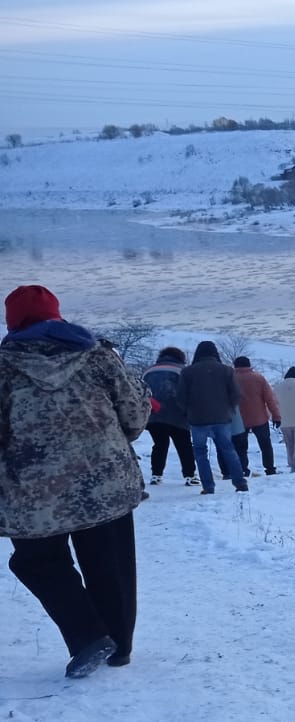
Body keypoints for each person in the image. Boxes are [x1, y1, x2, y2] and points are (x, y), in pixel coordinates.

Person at [0, 285, 149, 677]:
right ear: (57, 315)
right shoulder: (99, 356)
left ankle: (88, 637)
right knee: (111, 564)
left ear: (12, 322)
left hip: (31, 494)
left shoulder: (1, 367)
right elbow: (134, 415)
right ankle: (119, 646)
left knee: (37, 562)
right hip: (106, 484)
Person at [178, 341, 248, 494]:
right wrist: (229, 409)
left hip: (197, 419)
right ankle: (240, 482)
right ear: (215, 353)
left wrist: (187, 412)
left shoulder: (188, 372)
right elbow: (236, 395)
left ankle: (208, 486)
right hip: (222, 417)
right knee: (228, 450)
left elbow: (181, 397)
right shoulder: (227, 371)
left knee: (201, 453)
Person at [142, 346, 195, 486]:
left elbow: (141, 392)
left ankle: (156, 475)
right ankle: (190, 475)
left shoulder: (149, 371)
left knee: (159, 444)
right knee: (184, 445)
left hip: (154, 415)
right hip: (178, 415)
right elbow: (188, 393)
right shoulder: (182, 371)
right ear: (180, 357)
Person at [232, 356, 280, 477]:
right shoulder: (259, 378)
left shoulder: (231, 379)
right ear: (249, 365)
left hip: (238, 420)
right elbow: (270, 399)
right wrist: (276, 416)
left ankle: (243, 469)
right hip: (260, 418)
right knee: (265, 445)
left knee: (240, 447)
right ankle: (270, 469)